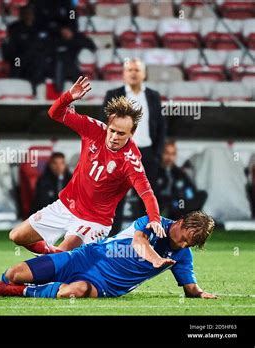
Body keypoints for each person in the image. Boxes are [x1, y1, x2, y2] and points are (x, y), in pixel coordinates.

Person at [9, 76, 165, 255]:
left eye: (121, 133)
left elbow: (146, 193)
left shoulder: (131, 161)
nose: (114, 137)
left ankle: (49, 270)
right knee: (17, 236)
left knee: (64, 255)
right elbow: (55, 113)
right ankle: (51, 260)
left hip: (94, 221)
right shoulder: (93, 129)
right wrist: (68, 97)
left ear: (132, 133)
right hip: (66, 205)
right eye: (112, 130)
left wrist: (154, 219)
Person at [0, 211, 217, 300]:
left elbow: (190, 288)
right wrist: (154, 259)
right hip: (84, 257)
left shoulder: (182, 254)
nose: (184, 243)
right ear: (182, 221)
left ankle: (13, 292)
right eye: (186, 236)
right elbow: (138, 240)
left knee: (71, 292)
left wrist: (199, 292)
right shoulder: (152, 223)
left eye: (191, 243)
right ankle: (12, 284)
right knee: (13, 273)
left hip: (105, 284)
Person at [103, 58, 166, 234]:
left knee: (145, 199)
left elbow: (161, 126)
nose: (133, 73)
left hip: (147, 154)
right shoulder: (113, 95)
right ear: (124, 74)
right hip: (120, 154)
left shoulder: (153, 96)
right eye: (129, 70)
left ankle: (143, 240)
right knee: (115, 199)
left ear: (144, 74)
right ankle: (110, 240)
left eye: (137, 70)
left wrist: (157, 155)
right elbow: (105, 127)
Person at [156, 140, 208, 220]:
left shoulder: (179, 173)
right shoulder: (155, 172)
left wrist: (186, 199)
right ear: (161, 154)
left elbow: (190, 191)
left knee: (201, 195)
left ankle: (190, 217)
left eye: (173, 154)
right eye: (167, 153)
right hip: (163, 204)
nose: (170, 157)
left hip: (180, 204)